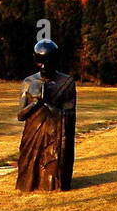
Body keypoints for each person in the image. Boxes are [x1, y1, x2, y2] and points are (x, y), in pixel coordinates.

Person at [16, 39, 77, 191]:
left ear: (55, 61)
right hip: (32, 135)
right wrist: (37, 103)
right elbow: (20, 116)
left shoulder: (66, 82)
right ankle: (29, 184)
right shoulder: (29, 82)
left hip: (54, 136)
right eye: (39, 62)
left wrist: (48, 103)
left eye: (47, 62)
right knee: (28, 167)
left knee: (51, 169)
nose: (43, 67)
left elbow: (69, 114)